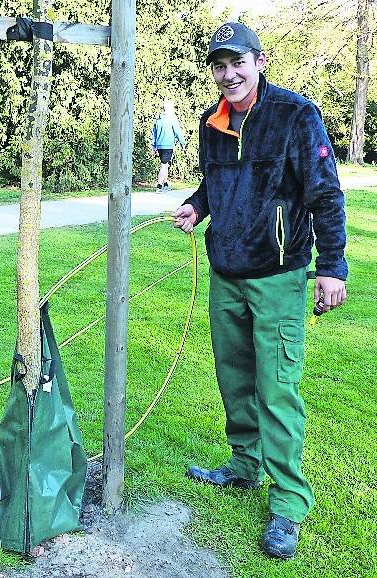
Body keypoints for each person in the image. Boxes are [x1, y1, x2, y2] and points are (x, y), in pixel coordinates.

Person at [172, 22, 347, 559]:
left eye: (237, 62)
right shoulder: (212, 122)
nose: (229, 74)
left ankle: (288, 502)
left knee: (276, 389)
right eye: (219, 65)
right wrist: (197, 206)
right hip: (226, 273)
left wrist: (331, 266)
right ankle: (244, 465)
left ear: (259, 61)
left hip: (278, 276)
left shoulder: (295, 115)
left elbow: (325, 192)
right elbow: (216, 181)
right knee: (235, 378)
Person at [151, 99, 186, 192]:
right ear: (170, 108)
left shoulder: (158, 118)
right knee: (164, 165)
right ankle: (159, 186)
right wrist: (183, 143)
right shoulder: (172, 118)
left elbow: (154, 133)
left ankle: (165, 184)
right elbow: (177, 131)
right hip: (168, 145)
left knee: (165, 164)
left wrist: (154, 146)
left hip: (159, 146)